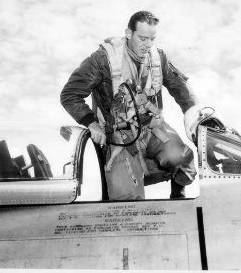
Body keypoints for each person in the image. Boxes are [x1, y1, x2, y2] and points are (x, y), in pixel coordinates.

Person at [60, 11, 198, 200]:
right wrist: (91, 123)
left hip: (152, 129)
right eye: (142, 38)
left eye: (152, 39)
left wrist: (197, 118)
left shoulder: (159, 58)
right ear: (128, 33)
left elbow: (182, 91)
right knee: (127, 200)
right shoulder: (101, 60)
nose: (147, 45)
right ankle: (129, 178)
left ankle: (177, 194)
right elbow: (69, 95)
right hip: (120, 137)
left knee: (184, 161)